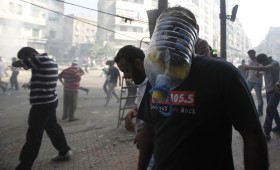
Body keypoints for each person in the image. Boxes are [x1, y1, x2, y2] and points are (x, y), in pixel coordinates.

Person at [128, 7, 268, 170]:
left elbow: (252, 135)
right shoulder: (155, 77)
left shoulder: (223, 74)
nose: (169, 36)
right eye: (165, 31)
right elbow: (150, 127)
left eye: (177, 29)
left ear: (192, 36)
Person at [12, 47, 72, 170]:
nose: (24, 63)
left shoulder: (39, 59)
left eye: (24, 58)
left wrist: (20, 61)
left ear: (32, 54)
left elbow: (15, 64)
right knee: (52, 127)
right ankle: (64, 151)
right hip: (50, 100)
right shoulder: (49, 60)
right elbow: (42, 77)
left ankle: (25, 165)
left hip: (41, 104)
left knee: (34, 133)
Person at [114, 45, 154, 170]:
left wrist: (144, 134)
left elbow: (159, 119)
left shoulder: (154, 84)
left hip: (154, 152)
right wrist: (132, 111)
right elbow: (140, 105)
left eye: (126, 70)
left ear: (138, 64)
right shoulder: (142, 83)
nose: (126, 76)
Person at [244, 54, 280, 140]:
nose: (262, 65)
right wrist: (258, 73)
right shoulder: (265, 64)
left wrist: (250, 68)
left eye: (263, 63)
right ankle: (279, 126)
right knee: (273, 109)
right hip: (268, 91)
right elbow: (264, 71)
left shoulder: (275, 63)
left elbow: (266, 68)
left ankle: (266, 131)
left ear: (266, 59)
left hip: (276, 91)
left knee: (269, 109)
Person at [246, 49, 264, 116]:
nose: (250, 56)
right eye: (249, 55)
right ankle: (247, 109)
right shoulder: (249, 60)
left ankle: (260, 111)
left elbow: (263, 70)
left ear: (254, 54)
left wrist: (258, 72)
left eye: (251, 55)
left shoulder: (259, 61)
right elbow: (248, 70)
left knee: (259, 98)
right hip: (249, 81)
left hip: (257, 82)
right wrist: (246, 77)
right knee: (246, 95)